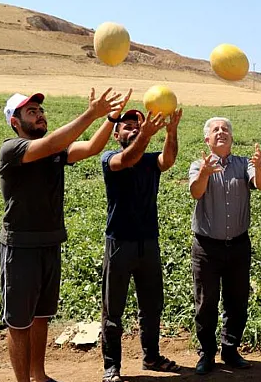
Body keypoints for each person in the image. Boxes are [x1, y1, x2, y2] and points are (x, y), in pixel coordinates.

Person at [0, 88, 129, 382]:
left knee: (42, 316)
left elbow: (93, 147)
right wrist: (91, 113)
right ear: (15, 122)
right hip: (21, 247)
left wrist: (111, 117)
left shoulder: (54, 150)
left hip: (50, 242)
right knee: (19, 322)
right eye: (31, 111)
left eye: (40, 110)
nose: (40, 114)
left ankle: (39, 376)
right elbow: (53, 142)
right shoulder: (12, 149)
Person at [100, 107, 182, 382]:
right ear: (116, 134)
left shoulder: (148, 160)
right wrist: (145, 134)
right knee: (113, 309)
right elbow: (128, 158)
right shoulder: (110, 158)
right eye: (127, 126)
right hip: (119, 243)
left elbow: (168, 160)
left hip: (148, 242)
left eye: (138, 124)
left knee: (151, 305)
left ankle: (151, 356)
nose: (134, 128)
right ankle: (112, 366)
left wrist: (171, 132)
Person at [188, 117, 261, 374]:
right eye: (216, 130)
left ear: (231, 138)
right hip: (206, 247)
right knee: (206, 302)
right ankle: (207, 353)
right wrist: (204, 173)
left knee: (237, 301)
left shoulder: (245, 164)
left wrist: (260, 166)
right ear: (207, 140)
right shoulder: (198, 164)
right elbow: (196, 192)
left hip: (238, 245)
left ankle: (231, 350)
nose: (221, 132)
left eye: (226, 130)